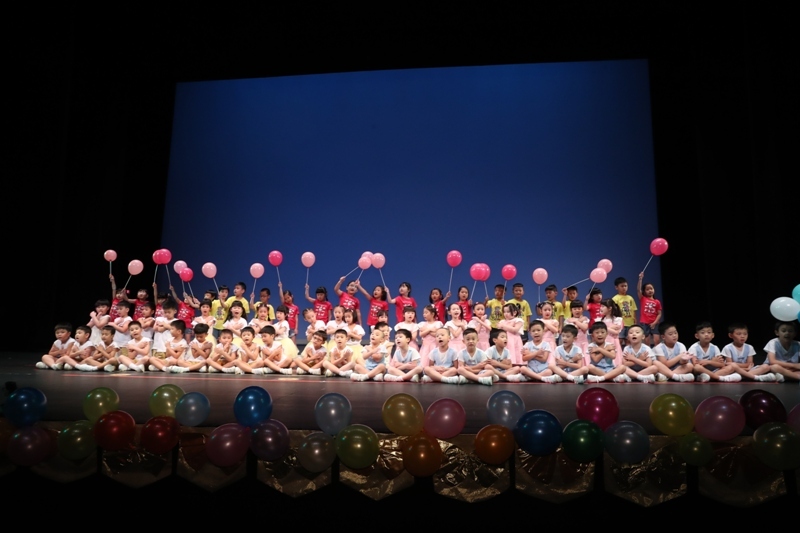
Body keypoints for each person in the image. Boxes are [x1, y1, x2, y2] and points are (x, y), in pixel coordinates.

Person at [636, 272, 662, 347]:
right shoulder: (643, 299)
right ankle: (649, 353)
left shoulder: (657, 302)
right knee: (647, 342)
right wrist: (640, 279)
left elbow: (659, 314)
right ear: (644, 291)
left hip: (654, 323)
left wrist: (654, 323)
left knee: (657, 340)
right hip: (644, 323)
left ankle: (657, 353)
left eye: (651, 288)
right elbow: (638, 290)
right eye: (647, 289)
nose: (650, 290)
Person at [612, 277, 637, 346]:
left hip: (630, 323)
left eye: (625, 286)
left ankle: (627, 353)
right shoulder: (615, 298)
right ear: (616, 287)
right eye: (622, 286)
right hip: (620, 324)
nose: (624, 288)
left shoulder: (630, 298)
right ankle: (618, 352)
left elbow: (633, 309)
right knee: (619, 340)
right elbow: (613, 311)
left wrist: (635, 320)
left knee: (628, 341)